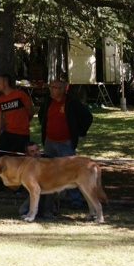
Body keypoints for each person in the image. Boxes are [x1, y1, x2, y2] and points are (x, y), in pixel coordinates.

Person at [38, 79, 93, 208]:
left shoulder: (71, 102)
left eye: (55, 88)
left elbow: (87, 117)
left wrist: (80, 131)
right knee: (49, 171)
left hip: (65, 144)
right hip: (49, 143)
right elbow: (42, 116)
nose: (51, 90)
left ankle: (76, 200)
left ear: (62, 89)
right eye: (51, 87)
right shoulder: (48, 101)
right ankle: (50, 199)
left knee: (71, 172)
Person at [18, 141, 56, 219]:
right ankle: (42, 209)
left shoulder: (50, 159)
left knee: (51, 187)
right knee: (22, 211)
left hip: (51, 188)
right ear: (27, 154)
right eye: (32, 151)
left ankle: (49, 211)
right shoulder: (26, 165)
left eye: (37, 150)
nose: (36, 153)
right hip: (35, 190)